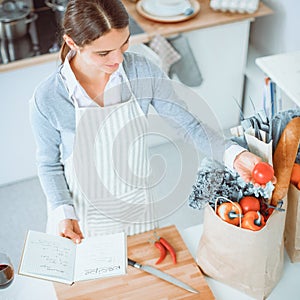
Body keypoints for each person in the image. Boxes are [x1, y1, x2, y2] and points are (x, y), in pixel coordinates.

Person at [30, 0, 267, 244]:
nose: (118, 60)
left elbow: (188, 125)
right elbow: (48, 164)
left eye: (124, 45)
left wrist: (234, 155)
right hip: (81, 215)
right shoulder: (48, 97)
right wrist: (63, 212)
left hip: (136, 206)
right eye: (104, 53)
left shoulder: (141, 71)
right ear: (72, 43)